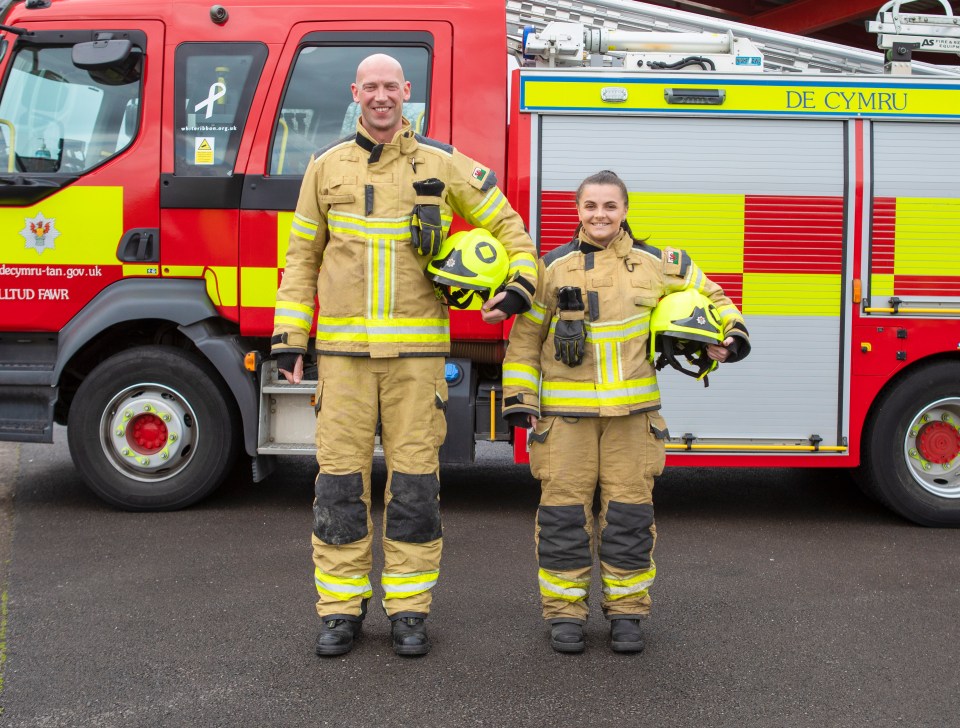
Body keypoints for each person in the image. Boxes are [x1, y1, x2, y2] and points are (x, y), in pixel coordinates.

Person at [272, 53, 537, 658]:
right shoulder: (325, 169)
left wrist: (517, 286)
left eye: (391, 86)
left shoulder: (442, 166)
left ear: (406, 92)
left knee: (415, 489)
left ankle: (409, 612)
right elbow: (301, 262)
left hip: (418, 361)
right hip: (342, 359)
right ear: (355, 92)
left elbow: (512, 229)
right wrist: (290, 338)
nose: (381, 96)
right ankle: (340, 611)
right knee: (339, 486)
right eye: (371, 87)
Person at [501, 170, 749, 654]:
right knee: (563, 519)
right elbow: (524, 339)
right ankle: (565, 616)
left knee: (629, 517)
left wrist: (732, 335)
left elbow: (716, 298)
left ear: (625, 210)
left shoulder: (661, 264)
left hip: (633, 420)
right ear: (577, 211)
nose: (600, 215)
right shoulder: (550, 268)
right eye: (590, 206)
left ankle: (628, 614)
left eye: (609, 206)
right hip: (564, 421)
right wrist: (519, 400)